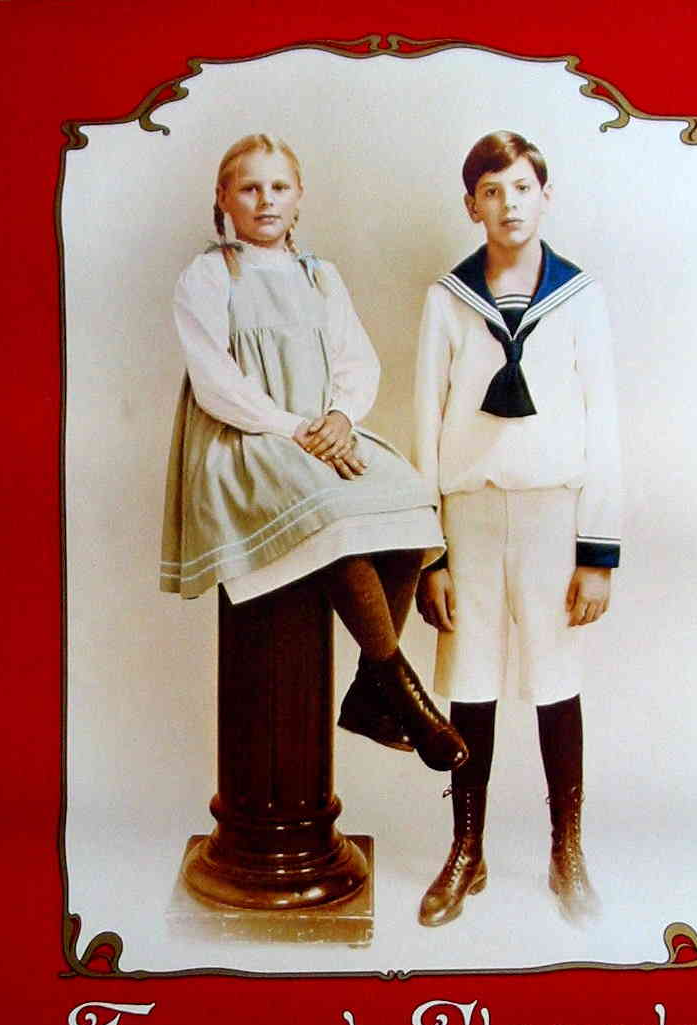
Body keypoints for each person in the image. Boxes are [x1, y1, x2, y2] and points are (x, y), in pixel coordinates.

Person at [160, 133, 467, 773]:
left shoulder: (319, 275)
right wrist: (293, 428)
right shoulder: (210, 275)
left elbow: (357, 361)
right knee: (335, 515)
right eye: (249, 188)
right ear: (223, 198)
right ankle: (401, 693)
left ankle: (368, 691)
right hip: (247, 439)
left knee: (408, 499)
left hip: (319, 435)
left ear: (299, 196)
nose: (265, 200)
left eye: (278, 187)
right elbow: (216, 382)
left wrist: (341, 417)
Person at [413, 130, 621, 923]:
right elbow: (424, 421)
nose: (509, 204)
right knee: (470, 683)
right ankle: (467, 850)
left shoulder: (580, 297)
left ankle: (567, 850)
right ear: (472, 205)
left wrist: (597, 551)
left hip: (552, 516)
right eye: (492, 192)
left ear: (545, 195)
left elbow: (605, 427)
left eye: (522, 188)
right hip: (468, 515)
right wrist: (430, 552)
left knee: (554, 681)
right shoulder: (448, 300)